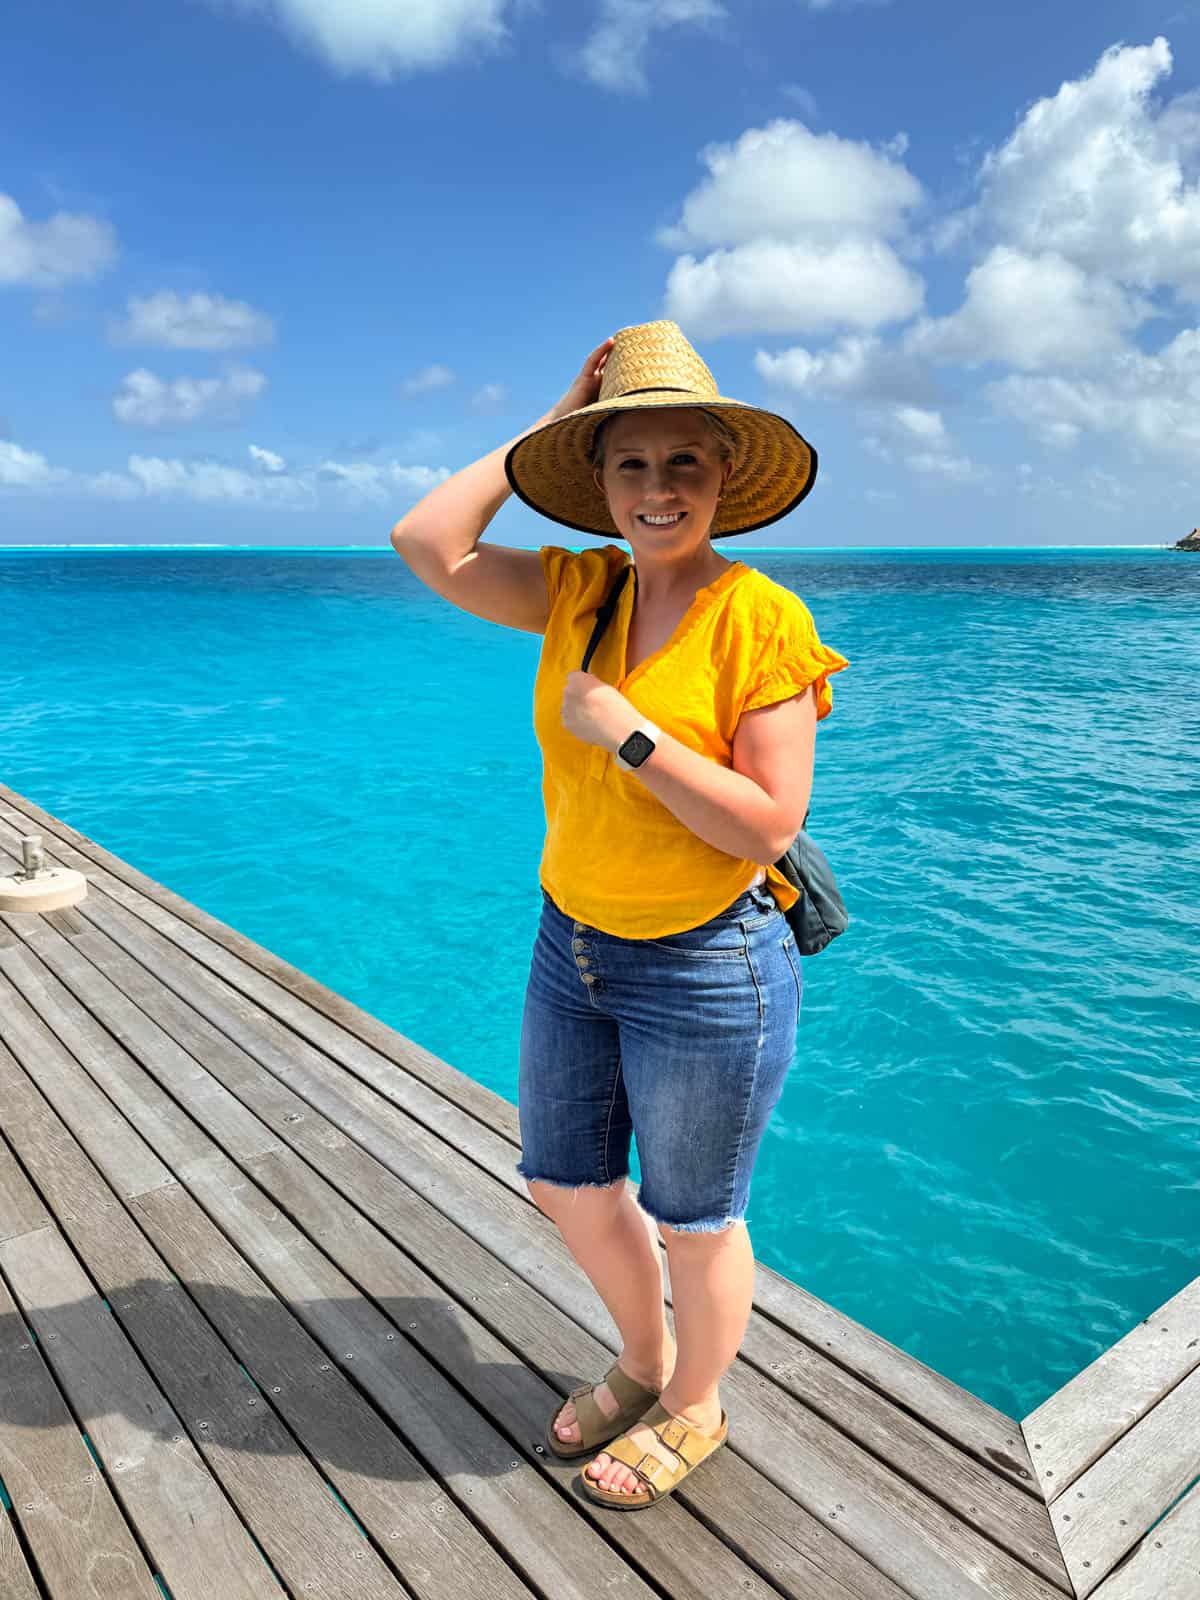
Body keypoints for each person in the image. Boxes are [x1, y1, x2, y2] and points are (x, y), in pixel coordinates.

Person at [390, 319, 848, 1511]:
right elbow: (426, 541)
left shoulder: (763, 621)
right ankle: (645, 1361)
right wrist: (551, 424)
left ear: (723, 481)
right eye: (628, 463)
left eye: (682, 463)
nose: (656, 489)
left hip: (708, 965)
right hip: (573, 944)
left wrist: (630, 733)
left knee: (696, 1219)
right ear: (597, 485)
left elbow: (765, 824)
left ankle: (697, 1403)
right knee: (567, 1182)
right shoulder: (574, 588)